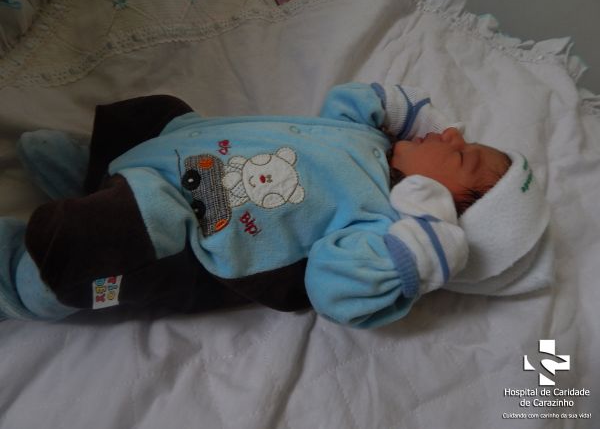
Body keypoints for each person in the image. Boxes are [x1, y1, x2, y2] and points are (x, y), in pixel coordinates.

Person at [0, 82, 552, 327]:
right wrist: (393, 110)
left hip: (191, 225)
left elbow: (334, 289)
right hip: (186, 152)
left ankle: (28, 283)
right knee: (159, 115)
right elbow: (343, 105)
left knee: (131, 222)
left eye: (463, 156)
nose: (453, 134)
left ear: (447, 205)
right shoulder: (375, 143)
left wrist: (414, 251)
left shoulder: (378, 226)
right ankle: (97, 174)